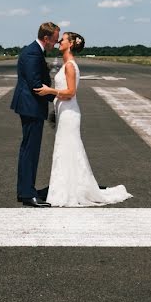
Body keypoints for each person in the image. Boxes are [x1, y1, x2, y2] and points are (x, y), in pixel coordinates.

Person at [35, 32, 132, 207]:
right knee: (65, 150)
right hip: (64, 112)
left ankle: (70, 190)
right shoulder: (66, 64)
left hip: (69, 114)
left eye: (62, 40)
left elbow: (71, 93)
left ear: (70, 44)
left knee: (68, 149)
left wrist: (50, 91)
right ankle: (65, 187)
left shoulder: (70, 66)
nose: (59, 42)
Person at [10, 21, 59, 207]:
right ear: (46, 38)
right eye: (54, 41)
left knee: (30, 150)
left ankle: (27, 190)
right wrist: (58, 97)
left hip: (31, 106)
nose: (54, 44)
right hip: (31, 107)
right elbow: (36, 85)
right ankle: (27, 193)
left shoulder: (35, 51)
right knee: (30, 150)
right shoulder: (32, 53)